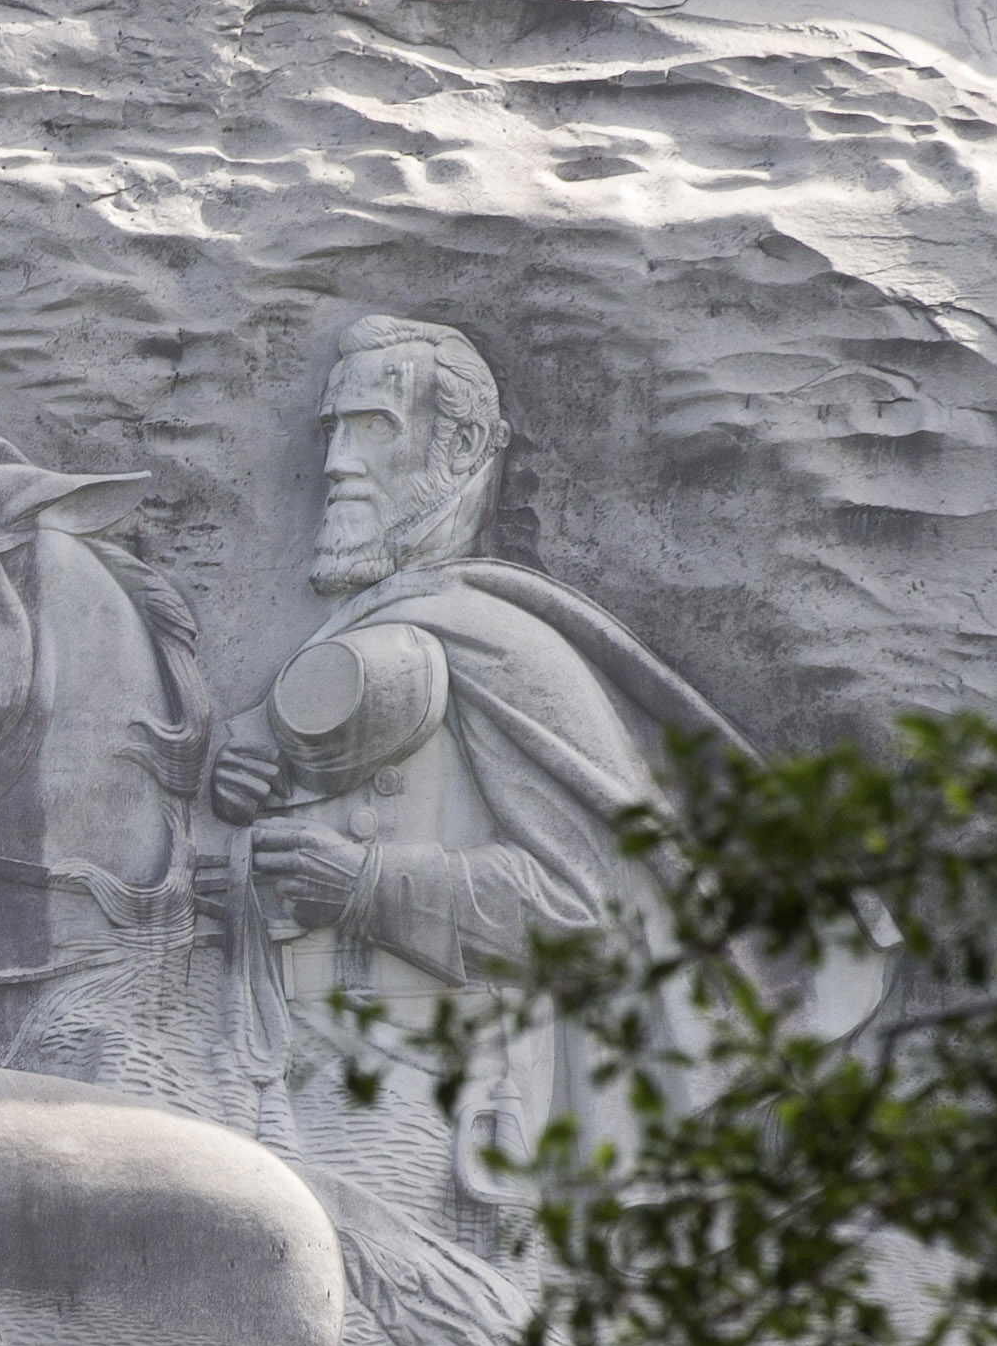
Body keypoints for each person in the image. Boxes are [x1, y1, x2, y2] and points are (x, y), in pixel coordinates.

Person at [195, 314, 737, 1251]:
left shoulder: (509, 648)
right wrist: (238, 814)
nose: (334, 464)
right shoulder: (348, 645)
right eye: (332, 431)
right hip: (275, 1087)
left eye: (372, 427)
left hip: (438, 1121)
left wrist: (364, 886)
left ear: (461, 449)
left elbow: (586, 913)